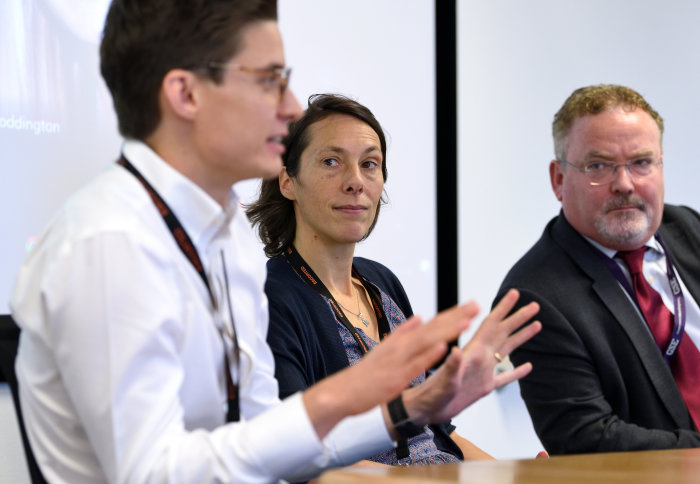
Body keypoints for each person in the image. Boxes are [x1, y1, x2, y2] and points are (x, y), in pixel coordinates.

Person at [10, 1, 541, 482]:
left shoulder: (225, 242)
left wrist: (410, 407)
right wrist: (342, 398)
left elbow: (270, 442)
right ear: (185, 93)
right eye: (269, 81)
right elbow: (153, 475)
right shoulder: (109, 243)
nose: (288, 108)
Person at [247, 93, 541, 466]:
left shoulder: (380, 281)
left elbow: (438, 435)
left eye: (369, 164)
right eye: (331, 162)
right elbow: (298, 460)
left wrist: (516, 475)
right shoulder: (269, 297)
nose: (355, 182)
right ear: (287, 181)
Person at [497, 84, 700, 455]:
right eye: (598, 167)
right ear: (559, 179)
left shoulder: (688, 229)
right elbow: (587, 438)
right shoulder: (535, 296)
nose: (624, 184)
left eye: (641, 162)